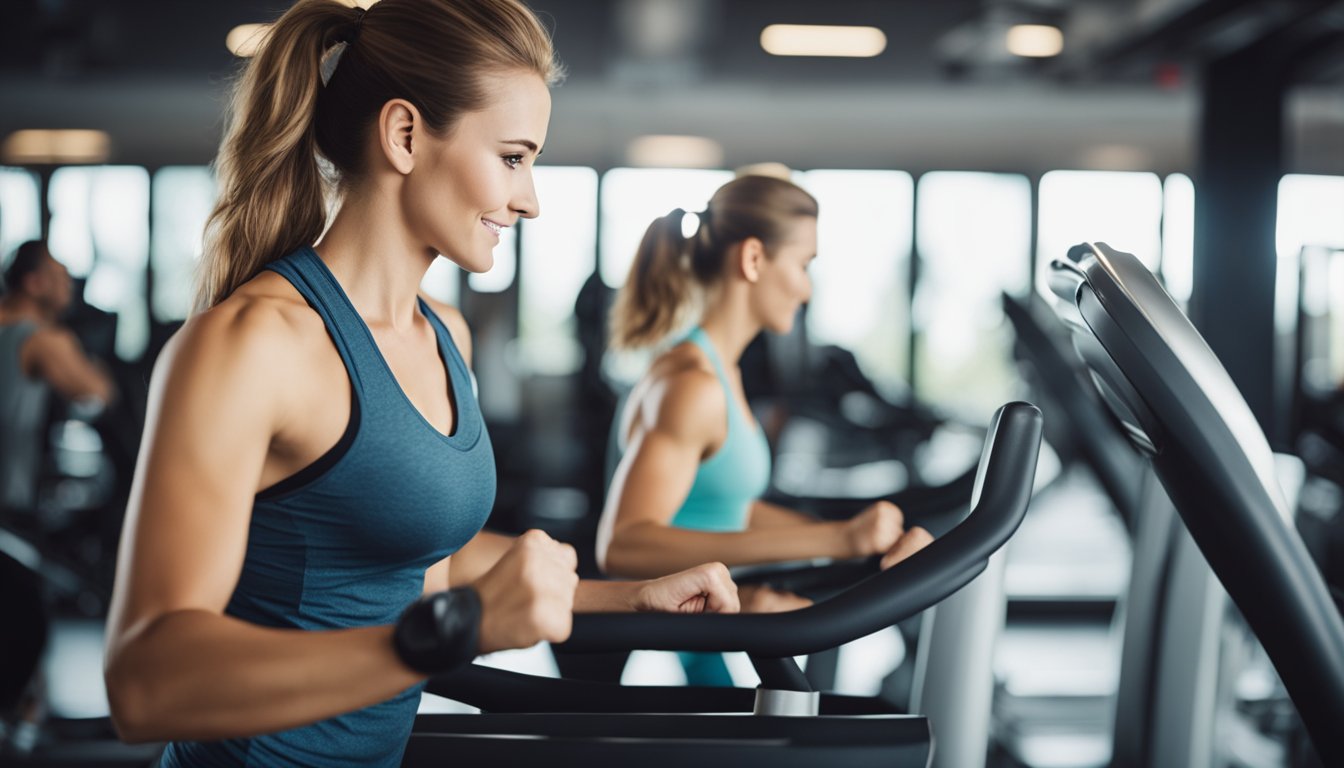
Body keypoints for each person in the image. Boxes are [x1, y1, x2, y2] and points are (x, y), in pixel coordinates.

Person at [102, 1, 738, 765]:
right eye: (512, 158)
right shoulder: (254, 345)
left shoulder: (444, 336)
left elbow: (414, 554)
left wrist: (623, 595)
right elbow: (145, 684)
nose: (530, 198)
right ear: (405, 135)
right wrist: (450, 633)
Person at [596, 174, 933, 685]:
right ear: (754, 259)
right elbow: (623, 545)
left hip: (709, 643)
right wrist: (835, 538)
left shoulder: (720, 372)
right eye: (803, 264)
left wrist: (856, 538)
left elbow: (726, 509)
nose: (806, 287)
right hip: (678, 664)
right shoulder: (692, 382)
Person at [0, 240, 116, 514]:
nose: (70, 284)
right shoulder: (41, 339)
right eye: (60, 276)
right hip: (8, 512)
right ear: (34, 283)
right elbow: (102, 392)